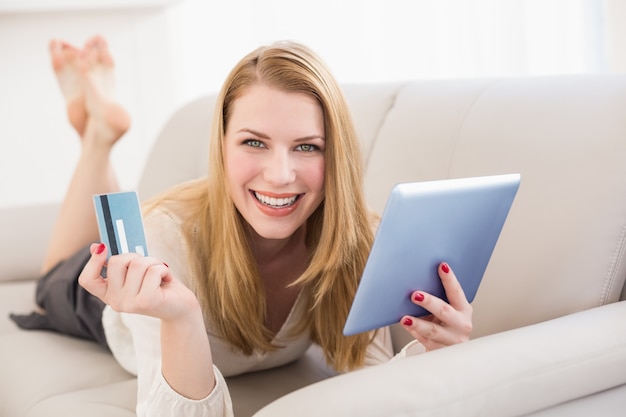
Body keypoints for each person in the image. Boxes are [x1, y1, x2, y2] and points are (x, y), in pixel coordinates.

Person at [12, 35, 473, 416]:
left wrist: (433, 354)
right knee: (50, 276)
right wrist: (183, 316)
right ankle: (97, 139)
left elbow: (372, 380)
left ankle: (97, 134)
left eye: (307, 147)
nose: (280, 175)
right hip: (118, 304)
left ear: (337, 157)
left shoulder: (352, 242)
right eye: (255, 142)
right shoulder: (164, 240)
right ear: (222, 147)